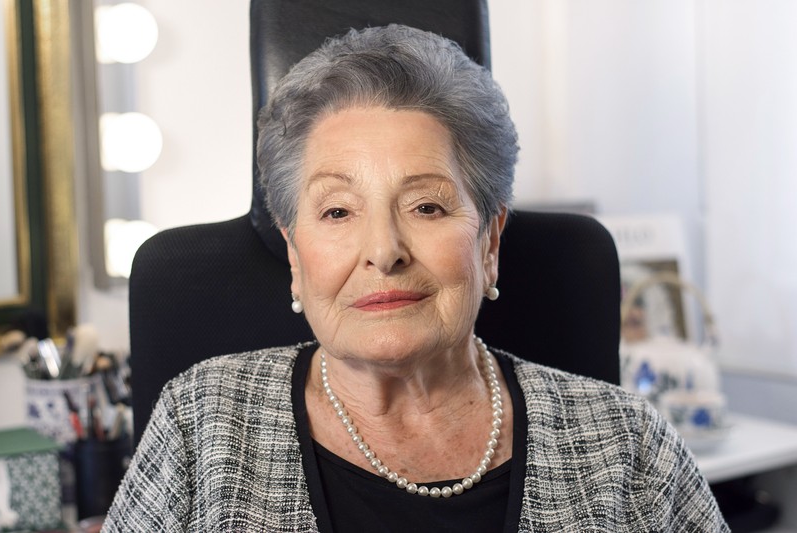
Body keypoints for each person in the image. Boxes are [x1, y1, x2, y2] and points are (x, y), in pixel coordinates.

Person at [104, 24, 728, 532]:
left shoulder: (627, 441)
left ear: (489, 242)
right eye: (338, 212)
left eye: (427, 206)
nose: (384, 251)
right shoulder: (200, 423)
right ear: (294, 255)